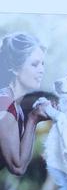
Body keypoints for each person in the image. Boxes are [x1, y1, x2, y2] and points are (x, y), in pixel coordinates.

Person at [0, 34, 52, 180]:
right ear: (15, 69)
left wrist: (33, 118)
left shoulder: (15, 107)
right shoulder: (4, 106)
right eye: (34, 64)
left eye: (43, 64)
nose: (41, 70)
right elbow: (17, 167)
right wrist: (33, 119)